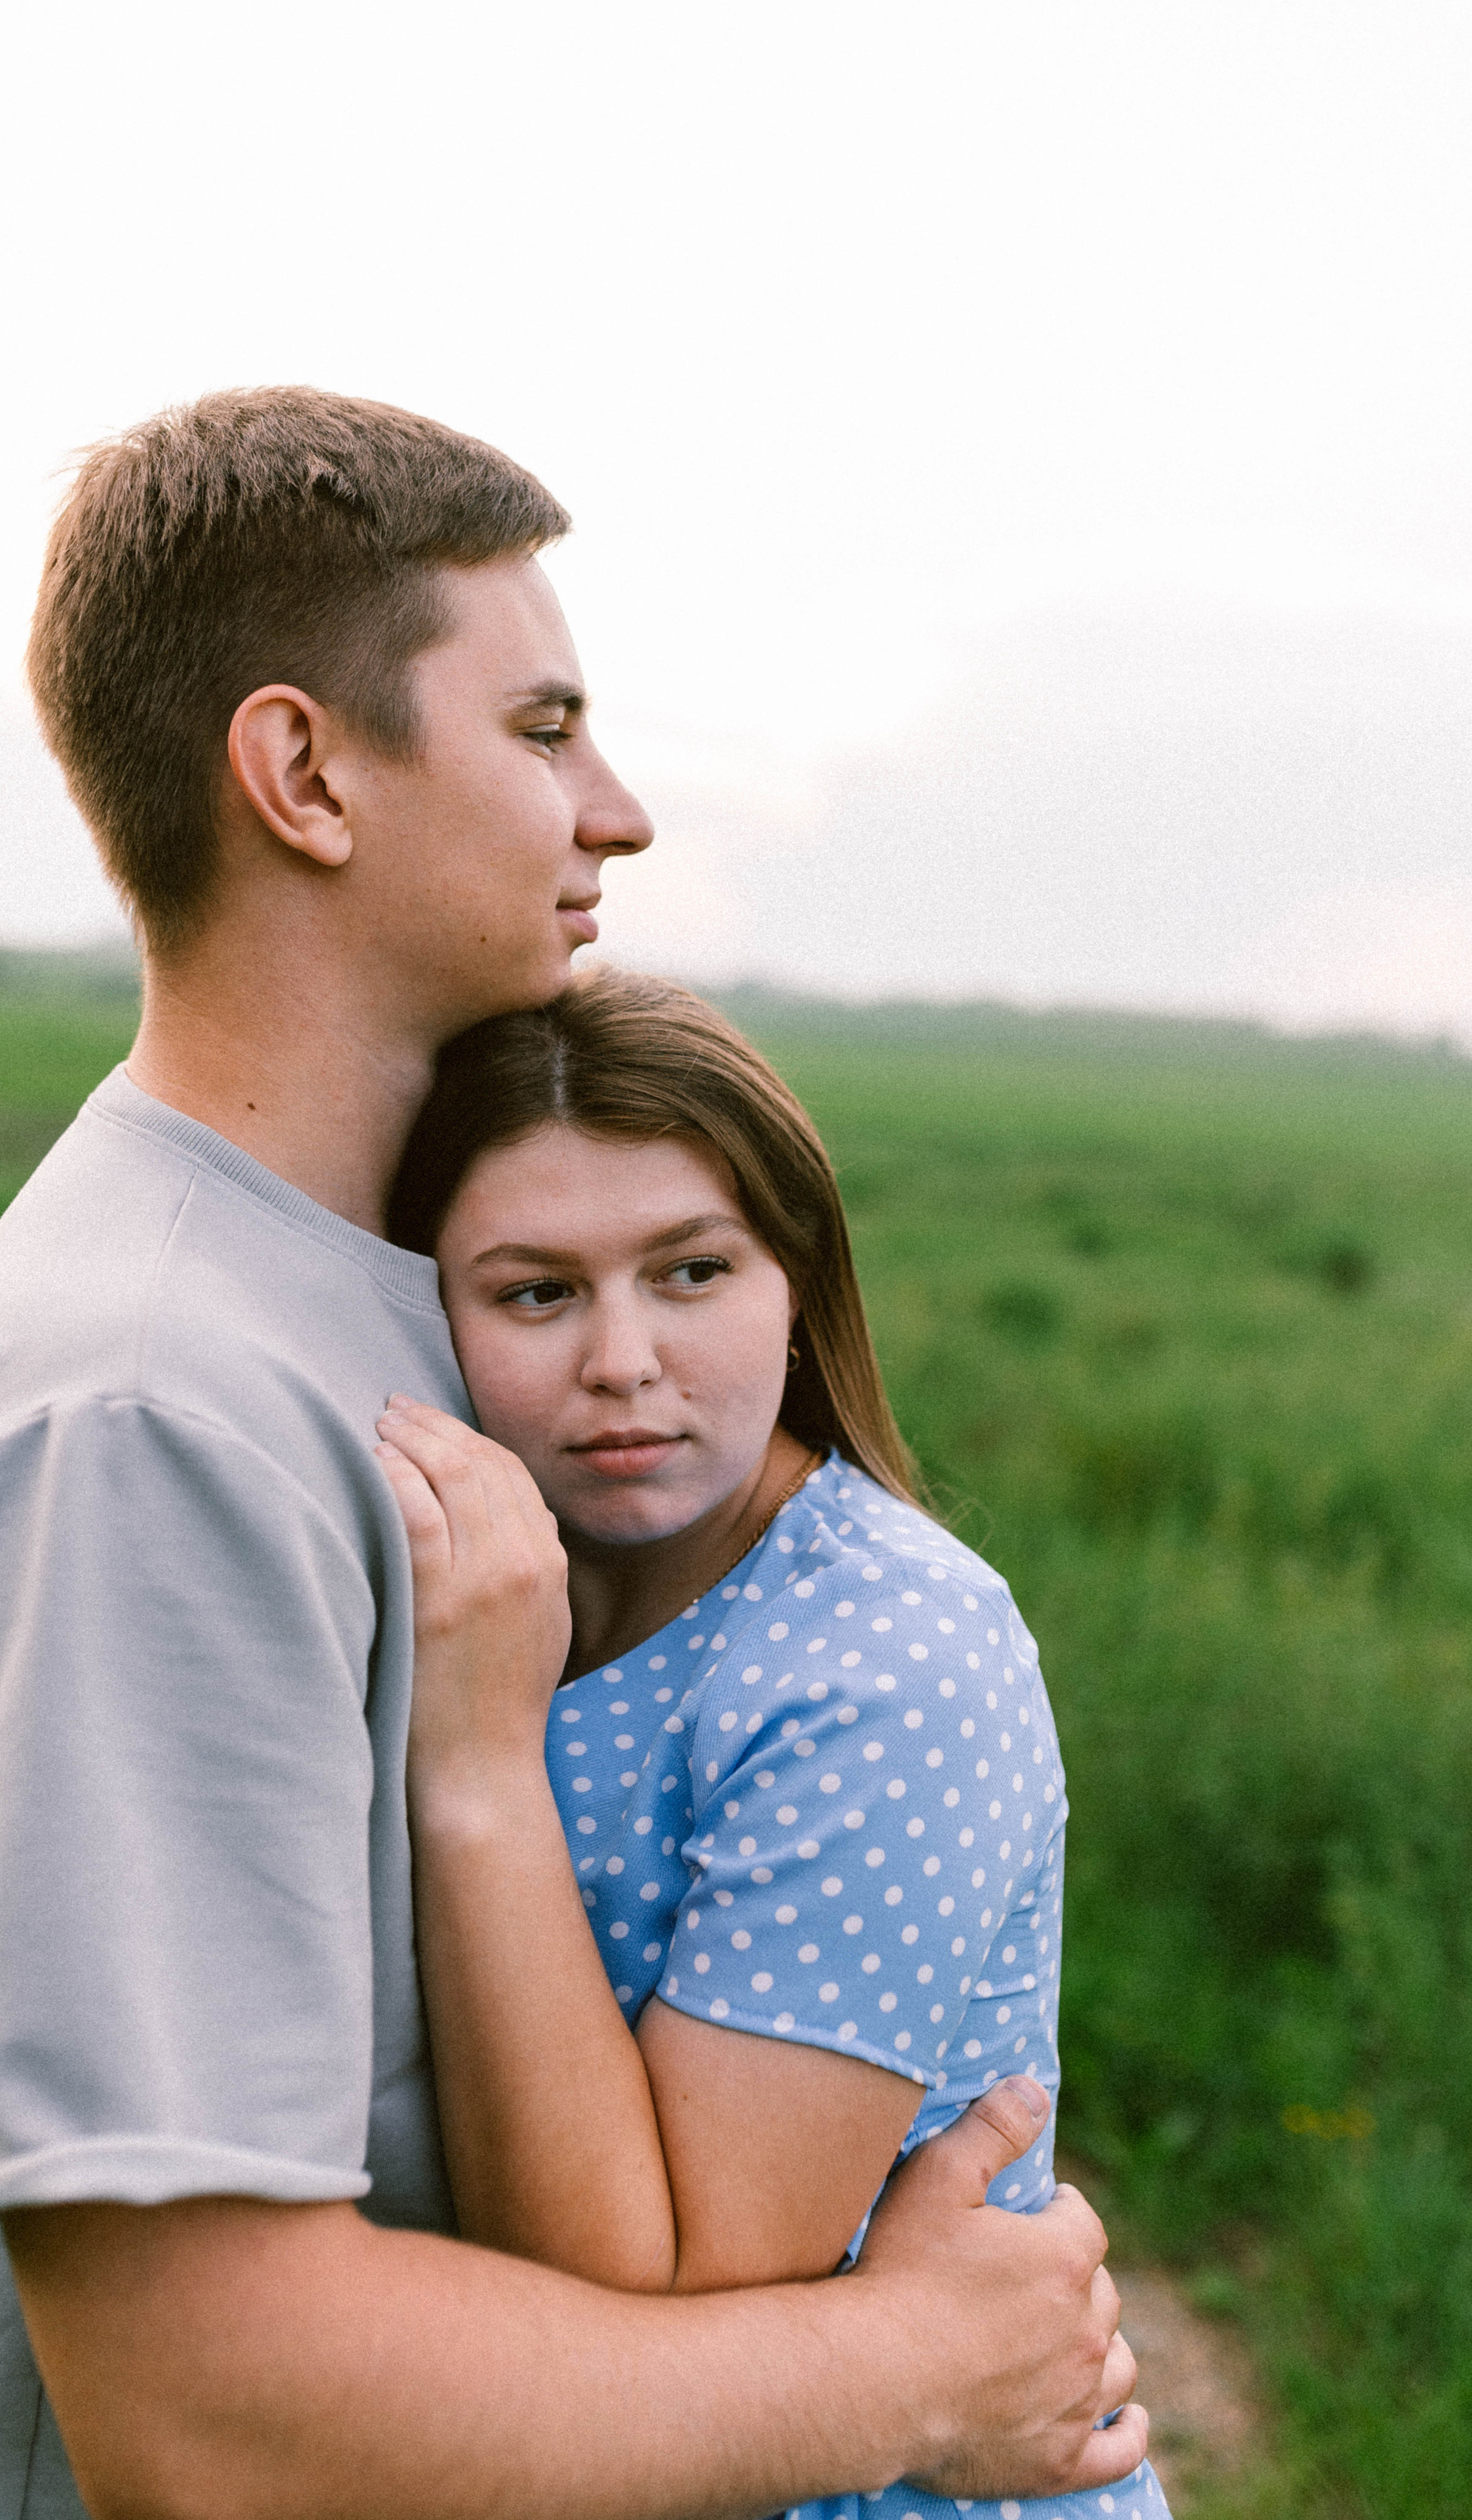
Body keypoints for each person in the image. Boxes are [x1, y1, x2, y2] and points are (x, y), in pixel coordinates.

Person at [0, 388, 1147, 2520]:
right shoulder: (138, 1424)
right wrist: (904, 2369)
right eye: (543, 728)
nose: (619, 811)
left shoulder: (372, 1302)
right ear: (305, 775)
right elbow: (206, 2410)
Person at [377, 966, 1169, 2520]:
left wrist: (477, 1770)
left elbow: (667, 2299)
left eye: (690, 1271)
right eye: (534, 1292)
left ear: (794, 1282)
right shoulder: (487, 1581)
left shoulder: (883, 1654)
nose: (621, 1359)